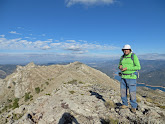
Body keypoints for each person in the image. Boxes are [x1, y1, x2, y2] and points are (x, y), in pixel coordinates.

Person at [118, 44, 141, 113]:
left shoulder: (133, 56)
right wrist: (120, 67)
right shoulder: (122, 57)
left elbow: (138, 67)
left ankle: (133, 106)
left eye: (127, 49)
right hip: (123, 77)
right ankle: (125, 104)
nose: (125, 51)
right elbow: (119, 65)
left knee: (132, 93)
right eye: (124, 50)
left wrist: (127, 68)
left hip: (131, 77)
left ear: (130, 50)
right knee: (122, 92)